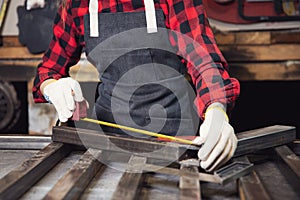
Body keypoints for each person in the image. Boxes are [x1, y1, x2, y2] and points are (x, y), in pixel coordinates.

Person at [32, 0, 240, 172]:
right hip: (109, 142)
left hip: (176, 138)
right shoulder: (77, 5)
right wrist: (53, 88)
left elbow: (203, 60)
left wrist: (216, 109)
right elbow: (47, 70)